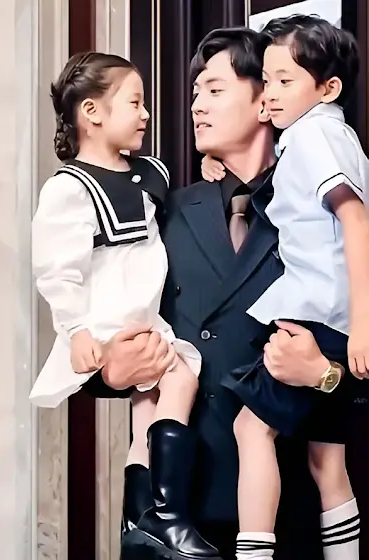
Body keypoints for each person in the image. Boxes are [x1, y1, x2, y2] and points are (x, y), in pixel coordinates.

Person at [83, 28, 337, 560]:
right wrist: (111, 370)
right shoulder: (164, 212)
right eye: (196, 92)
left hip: (283, 513)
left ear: (266, 100)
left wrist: (325, 374)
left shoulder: (320, 214)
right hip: (177, 517)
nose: (196, 105)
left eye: (215, 90)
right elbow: (102, 325)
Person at [29, 51, 220, 558]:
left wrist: (210, 164)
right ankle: (169, 515)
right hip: (111, 318)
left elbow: (174, 211)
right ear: (92, 112)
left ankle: (139, 519)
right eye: (134, 103)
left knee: (147, 410)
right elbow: (58, 270)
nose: (146, 114)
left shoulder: (151, 172)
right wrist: (77, 331)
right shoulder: (70, 188)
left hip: (143, 312)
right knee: (180, 377)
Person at [196, 15, 366, 560]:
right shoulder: (319, 137)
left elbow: (356, 220)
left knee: (252, 431)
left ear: (327, 88)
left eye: (284, 81)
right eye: (267, 81)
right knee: (328, 463)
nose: (271, 94)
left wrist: (361, 329)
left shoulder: (315, 136)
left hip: (318, 316)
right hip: (332, 316)